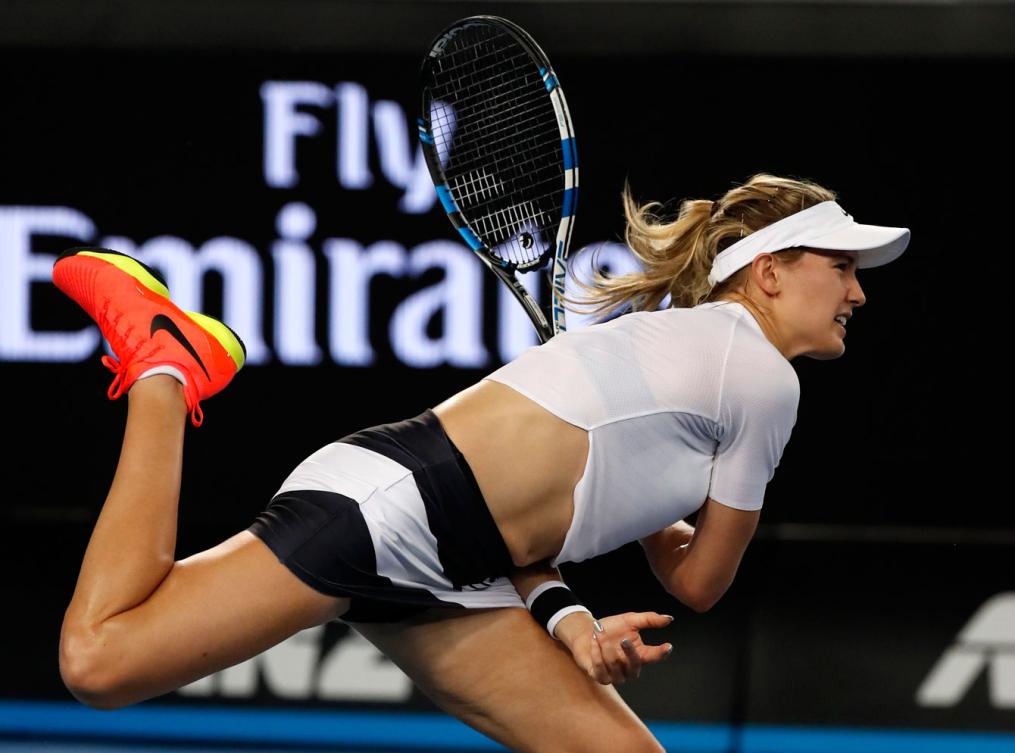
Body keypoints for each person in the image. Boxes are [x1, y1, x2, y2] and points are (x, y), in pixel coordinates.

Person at [55, 173, 909, 753]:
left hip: (456, 566)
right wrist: (662, 532)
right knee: (99, 662)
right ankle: (166, 366)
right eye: (840, 268)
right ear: (765, 272)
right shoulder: (761, 379)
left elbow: (517, 536)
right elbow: (696, 584)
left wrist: (572, 621)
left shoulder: (677, 357)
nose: (857, 292)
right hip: (385, 511)